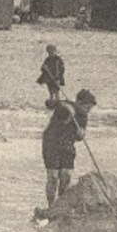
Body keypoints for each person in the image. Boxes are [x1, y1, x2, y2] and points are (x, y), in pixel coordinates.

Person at [37, 89, 98, 218]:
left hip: (67, 145)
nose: (88, 111)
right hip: (51, 143)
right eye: (86, 107)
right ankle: (51, 206)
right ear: (79, 103)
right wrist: (65, 106)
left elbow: (79, 137)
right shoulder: (64, 106)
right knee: (53, 177)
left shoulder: (83, 117)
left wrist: (81, 135)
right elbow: (49, 103)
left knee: (66, 175)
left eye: (90, 108)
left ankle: (61, 205)